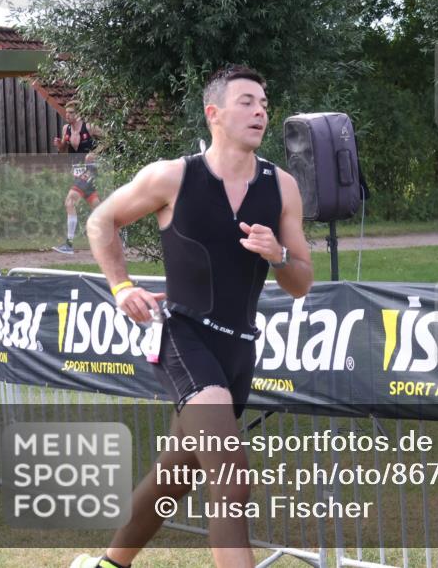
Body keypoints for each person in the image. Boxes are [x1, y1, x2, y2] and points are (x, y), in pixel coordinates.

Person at [71, 65, 313, 568]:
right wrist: (120, 285)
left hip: (239, 349)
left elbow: (301, 282)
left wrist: (279, 257)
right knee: (230, 473)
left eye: (264, 103)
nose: (261, 111)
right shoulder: (172, 176)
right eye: (246, 101)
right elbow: (102, 220)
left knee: (173, 476)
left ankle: (110, 563)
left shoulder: (281, 187)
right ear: (214, 113)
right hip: (184, 338)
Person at [52, 101, 100, 254]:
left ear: (78, 114)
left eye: (71, 112)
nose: (68, 115)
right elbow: (64, 149)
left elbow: (109, 139)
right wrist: (60, 145)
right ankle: (118, 234)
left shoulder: (89, 126)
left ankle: (69, 244)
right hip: (77, 171)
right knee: (97, 207)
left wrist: (95, 152)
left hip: (90, 170)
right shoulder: (66, 129)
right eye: (67, 113)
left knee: (69, 201)